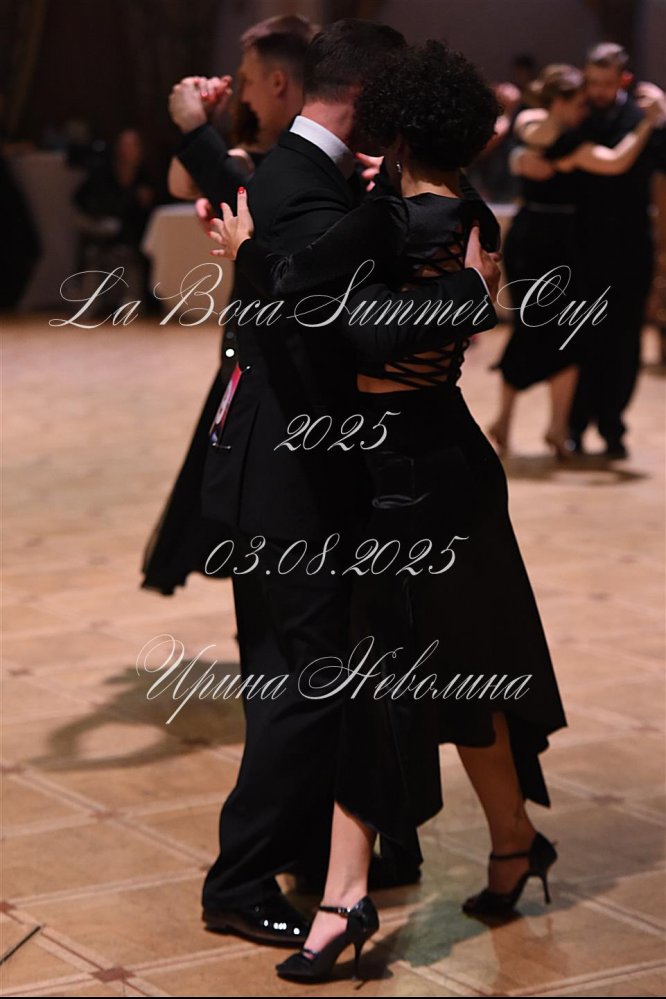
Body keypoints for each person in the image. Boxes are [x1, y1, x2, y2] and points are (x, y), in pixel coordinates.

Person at [210, 39, 566, 983]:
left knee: (398, 676)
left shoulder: (407, 216)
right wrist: (468, 296)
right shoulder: (451, 210)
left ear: (396, 132)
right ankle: (511, 841)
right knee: (461, 671)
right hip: (426, 463)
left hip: (415, 474)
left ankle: (347, 897)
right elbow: (330, 288)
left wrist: (252, 257)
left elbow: (346, 321)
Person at [141, 14, 318, 599]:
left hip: (280, 353)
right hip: (248, 348)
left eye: (246, 79)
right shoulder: (250, 157)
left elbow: (232, 194)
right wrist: (208, 128)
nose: (240, 90)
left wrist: (197, 129)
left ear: (277, 82)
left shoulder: (302, 168)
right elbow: (182, 183)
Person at [488, 63, 661, 458]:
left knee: (572, 334)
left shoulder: (573, 138)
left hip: (568, 244)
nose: (586, 109)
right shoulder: (543, 127)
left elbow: (615, 162)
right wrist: (529, 147)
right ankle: (504, 422)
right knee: (530, 329)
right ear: (560, 101)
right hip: (534, 242)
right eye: (580, 102)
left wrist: (647, 123)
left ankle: (557, 428)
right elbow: (536, 133)